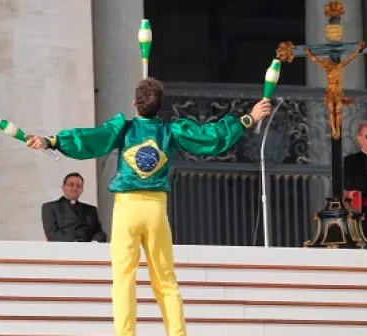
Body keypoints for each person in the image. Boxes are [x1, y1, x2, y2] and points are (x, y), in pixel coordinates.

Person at [27, 77, 271, 336]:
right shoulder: (171, 131)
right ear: (161, 106)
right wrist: (249, 118)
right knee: (165, 279)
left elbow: (89, 138)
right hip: (156, 210)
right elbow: (210, 136)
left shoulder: (124, 128)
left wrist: (51, 140)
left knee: (123, 279)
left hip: (127, 209)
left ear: (135, 102)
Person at [42, 172, 107, 242]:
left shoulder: (91, 210)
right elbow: (51, 233)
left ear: (82, 190)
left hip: (88, 248)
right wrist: (74, 243)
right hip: (63, 248)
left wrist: (94, 242)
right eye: (71, 185)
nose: (75, 188)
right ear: (63, 188)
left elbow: (100, 232)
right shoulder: (50, 207)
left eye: (78, 186)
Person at [343, 120, 367, 240]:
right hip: (359, 211)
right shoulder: (351, 160)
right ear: (360, 138)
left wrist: (362, 184)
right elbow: (349, 183)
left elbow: (357, 182)